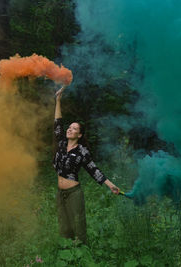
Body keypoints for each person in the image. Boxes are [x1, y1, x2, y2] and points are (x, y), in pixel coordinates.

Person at [53, 85, 120, 244]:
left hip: (73, 193)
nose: (69, 129)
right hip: (60, 192)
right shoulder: (62, 144)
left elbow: (93, 170)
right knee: (64, 226)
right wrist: (58, 99)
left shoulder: (82, 151)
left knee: (78, 226)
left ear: (80, 134)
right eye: (69, 127)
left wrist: (110, 185)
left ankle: (82, 254)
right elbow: (57, 123)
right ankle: (67, 255)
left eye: (74, 128)